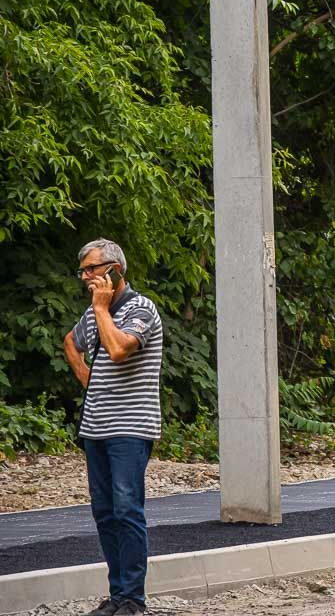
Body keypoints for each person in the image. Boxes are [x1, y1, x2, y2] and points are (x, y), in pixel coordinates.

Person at [62, 239, 164, 616]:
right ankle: (117, 594)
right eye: (83, 271)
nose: (86, 277)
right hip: (96, 427)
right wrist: (89, 379)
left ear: (115, 269)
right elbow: (71, 344)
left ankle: (133, 600)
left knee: (127, 509)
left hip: (131, 428)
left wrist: (102, 309)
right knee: (104, 512)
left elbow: (120, 349)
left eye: (92, 268)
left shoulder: (141, 308)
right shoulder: (93, 313)